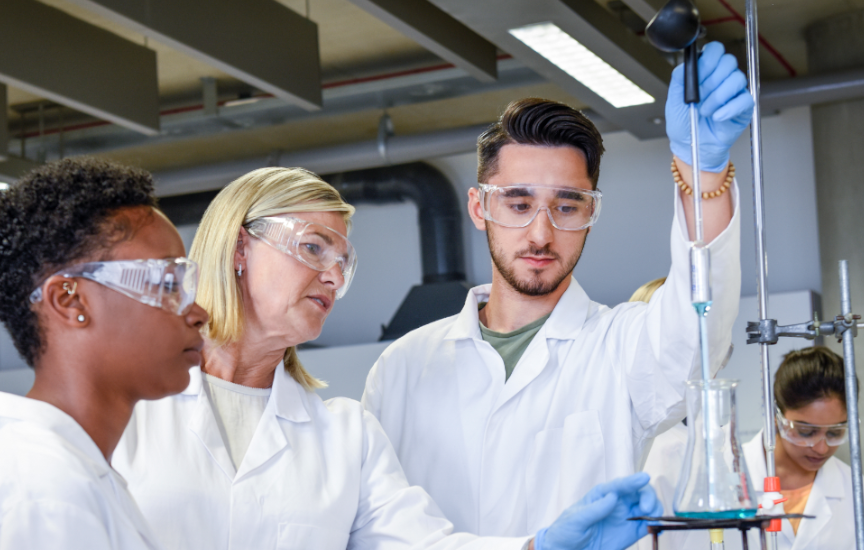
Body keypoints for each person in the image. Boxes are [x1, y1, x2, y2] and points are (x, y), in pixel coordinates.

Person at [112, 166, 661, 550]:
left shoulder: (345, 436)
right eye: (312, 247)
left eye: (342, 261)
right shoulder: (129, 406)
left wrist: (539, 548)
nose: (332, 274)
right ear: (238, 248)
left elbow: (421, 546)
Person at [362, 41, 751, 537]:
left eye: (566, 207)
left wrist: (704, 171)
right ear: (479, 208)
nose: (541, 234)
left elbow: (699, 329)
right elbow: (377, 529)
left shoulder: (621, 348)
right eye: (519, 204)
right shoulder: (400, 369)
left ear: (591, 214)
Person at [0, 158, 208, 549]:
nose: (199, 313)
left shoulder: (72, 474)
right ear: (70, 300)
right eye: (168, 283)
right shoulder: (44, 493)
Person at [639, 347, 864, 549]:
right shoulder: (717, 479)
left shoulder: (857, 493)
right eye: (805, 431)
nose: (820, 447)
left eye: (835, 432)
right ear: (776, 418)